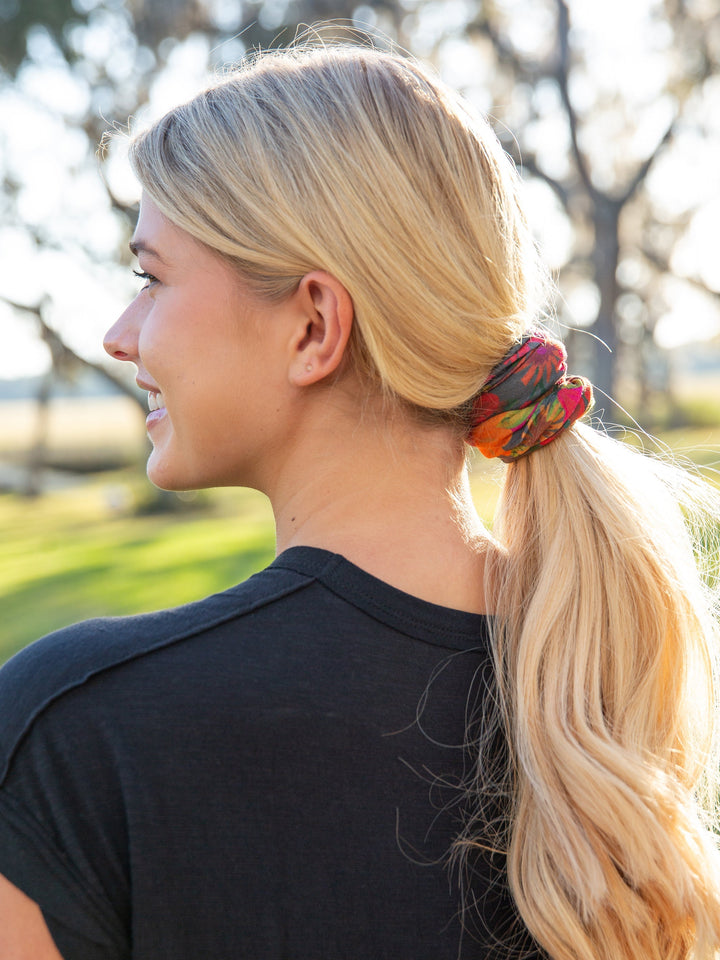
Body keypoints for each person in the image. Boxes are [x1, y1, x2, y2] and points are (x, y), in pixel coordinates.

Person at [1, 39, 719, 960]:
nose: (118, 334)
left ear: (313, 324)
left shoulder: (80, 734)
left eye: (151, 278)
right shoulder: (592, 688)